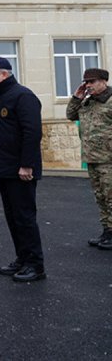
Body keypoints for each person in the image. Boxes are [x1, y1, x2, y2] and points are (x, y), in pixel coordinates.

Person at [0, 57, 45, 283]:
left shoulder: (23, 96)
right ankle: (22, 259)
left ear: (3, 74)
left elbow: (32, 132)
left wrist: (27, 164)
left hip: (20, 169)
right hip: (5, 168)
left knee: (24, 217)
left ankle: (35, 264)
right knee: (13, 217)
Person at [66, 68, 112, 249]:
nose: (88, 85)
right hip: (92, 157)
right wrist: (77, 98)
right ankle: (107, 231)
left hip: (109, 159)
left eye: (92, 82)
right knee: (100, 196)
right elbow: (70, 115)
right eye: (86, 82)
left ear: (103, 81)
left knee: (111, 197)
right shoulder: (87, 103)